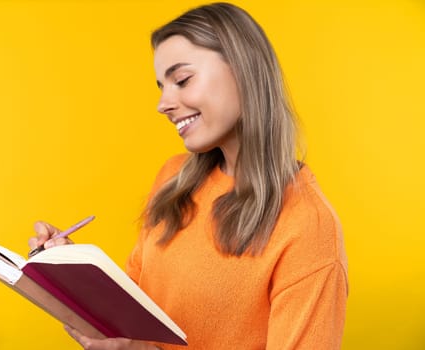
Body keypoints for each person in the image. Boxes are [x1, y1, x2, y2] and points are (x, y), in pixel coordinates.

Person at [28, 2, 348, 349]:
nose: (163, 104)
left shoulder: (308, 229)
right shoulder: (173, 178)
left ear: (243, 70)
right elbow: (136, 314)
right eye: (161, 86)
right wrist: (78, 274)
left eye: (181, 79)